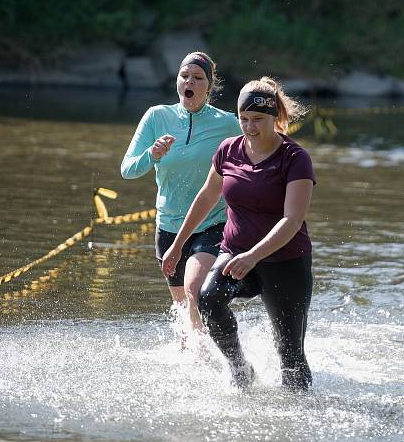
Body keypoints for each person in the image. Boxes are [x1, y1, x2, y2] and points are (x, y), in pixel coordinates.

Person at [161, 76, 315, 392]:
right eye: (243, 119)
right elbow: (206, 197)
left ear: (275, 117)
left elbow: (292, 219)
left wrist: (253, 256)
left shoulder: (295, 158)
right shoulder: (228, 150)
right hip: (235, 252)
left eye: (258, 119)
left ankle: (298, 425)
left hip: (285, 261)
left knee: (291, 356)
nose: (250, 126)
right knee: (208, 299)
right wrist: (178, 245)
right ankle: (240, 369)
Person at [121, 52, 241, 332]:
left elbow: (256, 150)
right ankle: (194, 351)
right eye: (185, 76)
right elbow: (127, 169)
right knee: (184, 306)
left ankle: (218, 353)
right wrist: (152, 154)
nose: (190, 81)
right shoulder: (156, 116)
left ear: (209, 87)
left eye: (198, 78)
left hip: (211, 223)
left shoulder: (227, 124)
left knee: (194, 290)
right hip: (169, 225)